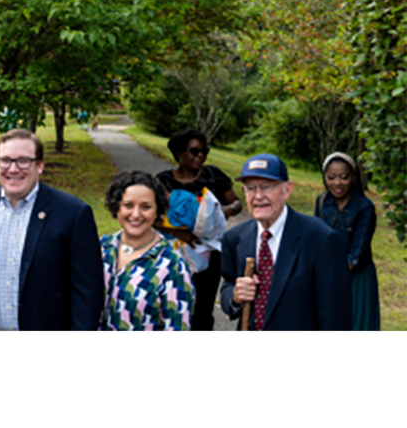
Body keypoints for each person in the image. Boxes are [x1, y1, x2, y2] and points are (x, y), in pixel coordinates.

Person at [0, 129, 104, 332]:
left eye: (23, 161)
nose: (13, 169)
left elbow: (87, 290)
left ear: (40, 166)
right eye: (5, 160)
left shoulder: (73, 213)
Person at [220, 154, 352, 332]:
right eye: (251, 188)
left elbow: (335, 318)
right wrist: (235, 297)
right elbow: (227, 286)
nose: (258, 196)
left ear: (287, 190)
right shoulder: (234, 238)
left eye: (266, 187)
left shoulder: (321, 240)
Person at [156, 129, 243, 333]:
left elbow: (238, 203)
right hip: (173, 254)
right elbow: (151, 218)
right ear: (179, 153)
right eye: (194, 151)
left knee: (202, 309)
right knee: (172, 302)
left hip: (209, 255)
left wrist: (227, 210)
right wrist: (181, 234)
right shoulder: (162, 181)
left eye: (204, 151)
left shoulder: (213, 176)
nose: (200, 156)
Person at [99, 171, 194, 332]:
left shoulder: (172, 266)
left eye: (146, 207)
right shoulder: (101, 247)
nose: (136, 214)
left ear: (157, 210)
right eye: (128, 205)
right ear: (117, 207)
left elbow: (178, 327)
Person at [315, 153, 380, 333]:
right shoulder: (322, 201)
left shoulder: (364, 207)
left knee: (355, 323)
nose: (337, 183)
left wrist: (332, 278)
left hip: (356, 277)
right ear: (324, 178)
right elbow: (314, 238)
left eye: (344, 177)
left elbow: (356, 253)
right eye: (331, 177)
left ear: (353, 178)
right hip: (326, 272)